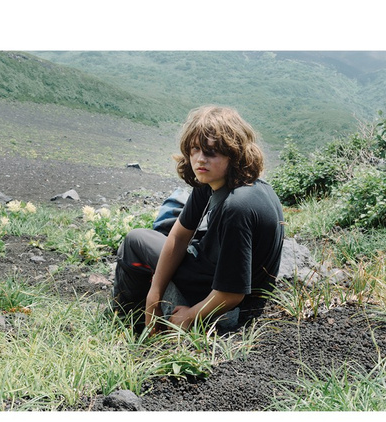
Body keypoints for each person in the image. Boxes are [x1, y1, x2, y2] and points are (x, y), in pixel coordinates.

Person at [112, 105, 286, 336]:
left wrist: (190, 315)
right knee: (158, 234)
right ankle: (144, 316)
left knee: (136, 241)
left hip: (229, 308)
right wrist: (154, 295)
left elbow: (233, 294)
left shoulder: (239, 206)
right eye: (195, 149)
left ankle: (126, 324)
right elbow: (179, 235)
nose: (200, 159)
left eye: (212, 152)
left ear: (234, 154)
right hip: (212, 276)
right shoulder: (218, 181)